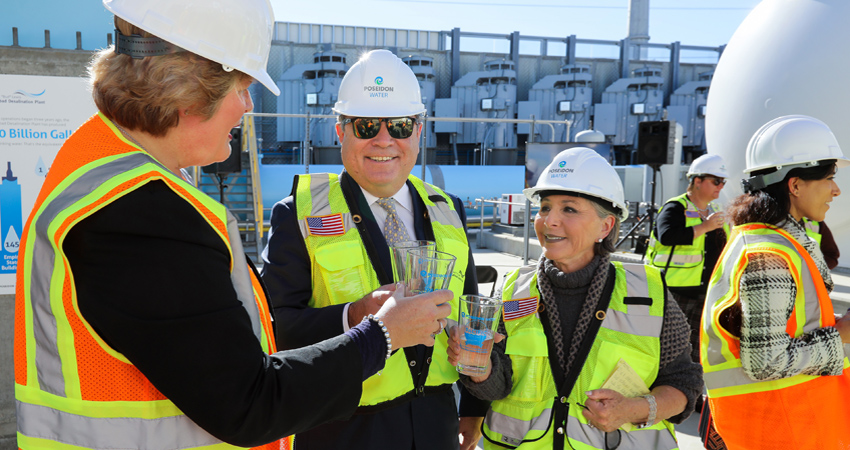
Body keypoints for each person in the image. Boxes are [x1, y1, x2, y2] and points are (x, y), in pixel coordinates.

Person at [13, 1, 452, 449]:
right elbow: (248, 402)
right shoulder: (141, 216)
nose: (246, 105)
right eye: (241, 87)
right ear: (190, 91)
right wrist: (380, 335)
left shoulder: (105, 167)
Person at [261, 49, 485, 450]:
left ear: (419, 131)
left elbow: (469, 309)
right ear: (340, 131)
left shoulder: (449, 210)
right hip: (343, 429)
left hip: (435, 426)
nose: (384, 140)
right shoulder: (297, 214)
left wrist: (473, 404)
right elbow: (274, 329)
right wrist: (356, 316)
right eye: (365, 126)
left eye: (399, 125)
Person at [447, 147, 702, 449]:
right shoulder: (515, 289)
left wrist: (634, 409)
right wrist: (481, 369)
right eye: (544, 207)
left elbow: (684, 381)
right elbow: (499, 386)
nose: (549, 221)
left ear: (606, 226)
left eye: (569, 209)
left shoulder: (648, 292)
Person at [701, 115, 850, 449]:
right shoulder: (769, 255)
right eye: (829, 178)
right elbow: (765, 361)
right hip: (774, 430)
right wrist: (841, 334)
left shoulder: (769, 241)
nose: (836, 190)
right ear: (794, 185)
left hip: (781, 425)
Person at [645, 153, 729, 363]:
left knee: (696, 350)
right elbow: (667, 236)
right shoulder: (676, 207)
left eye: (723, 182)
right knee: (673, 347)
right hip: (676, 291)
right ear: (697, 181)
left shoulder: (715, 211)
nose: (721, 186)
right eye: (716, 181)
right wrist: (704, 227)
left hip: (705, 292)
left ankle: (691, 390)